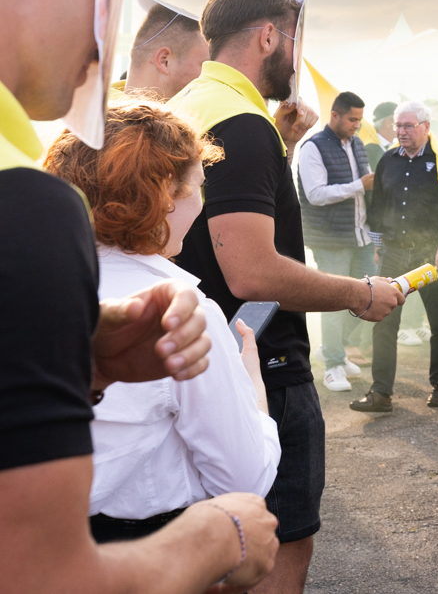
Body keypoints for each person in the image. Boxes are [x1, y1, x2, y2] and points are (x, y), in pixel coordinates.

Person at [0, 0, 277, 593]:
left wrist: (84, 361)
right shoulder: (25, 204)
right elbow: (37, 574)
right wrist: (213, 534)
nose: (106, 40)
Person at [171, 0, 403, 594]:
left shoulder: (190, 104)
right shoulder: (243, 124)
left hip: (197, 351)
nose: (298, 61)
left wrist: (285, 141)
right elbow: (250, 271)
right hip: (258, 360)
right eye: (295, 40)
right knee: (276, 541)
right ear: (270, 35)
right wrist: (361, 294)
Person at [45, 101, 282, 541]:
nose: (201, 205)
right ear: (164, 196)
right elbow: (244, 482)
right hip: (141, 551)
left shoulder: (31, 292)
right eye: (197, 187)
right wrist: (254, 392)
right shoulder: (182, 313)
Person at [353, 100, 438, 413]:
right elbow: (379, 205)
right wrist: (379, 244)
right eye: (398, 126)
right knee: (383, 320)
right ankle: (381, 392)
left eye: (409, 126)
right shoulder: (388, 160)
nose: (402, 131)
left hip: (433, 255)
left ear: (425, 127)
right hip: (395, 252)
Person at [297, 90, 377, 393]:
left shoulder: (357, 143)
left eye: (359, 119)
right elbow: (315, 195)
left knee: (366, 298)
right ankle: (332, 365)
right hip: (330, 240)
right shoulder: (312, 148)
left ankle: (334, 350)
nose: (357, 124)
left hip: (361, 236)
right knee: (335, 302)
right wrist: (360, 185)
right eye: (352, 119)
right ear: (335, 116)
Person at [119, 0, 210, 100]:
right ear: (164, 60)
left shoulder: (100, 111)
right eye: (204, 64)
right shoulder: (98, 112)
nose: (211, 73)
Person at [367, 100, 397, 169]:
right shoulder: (369, 150)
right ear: (388, 123)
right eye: (399, 121)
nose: (403, 126)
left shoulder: (397, 147)